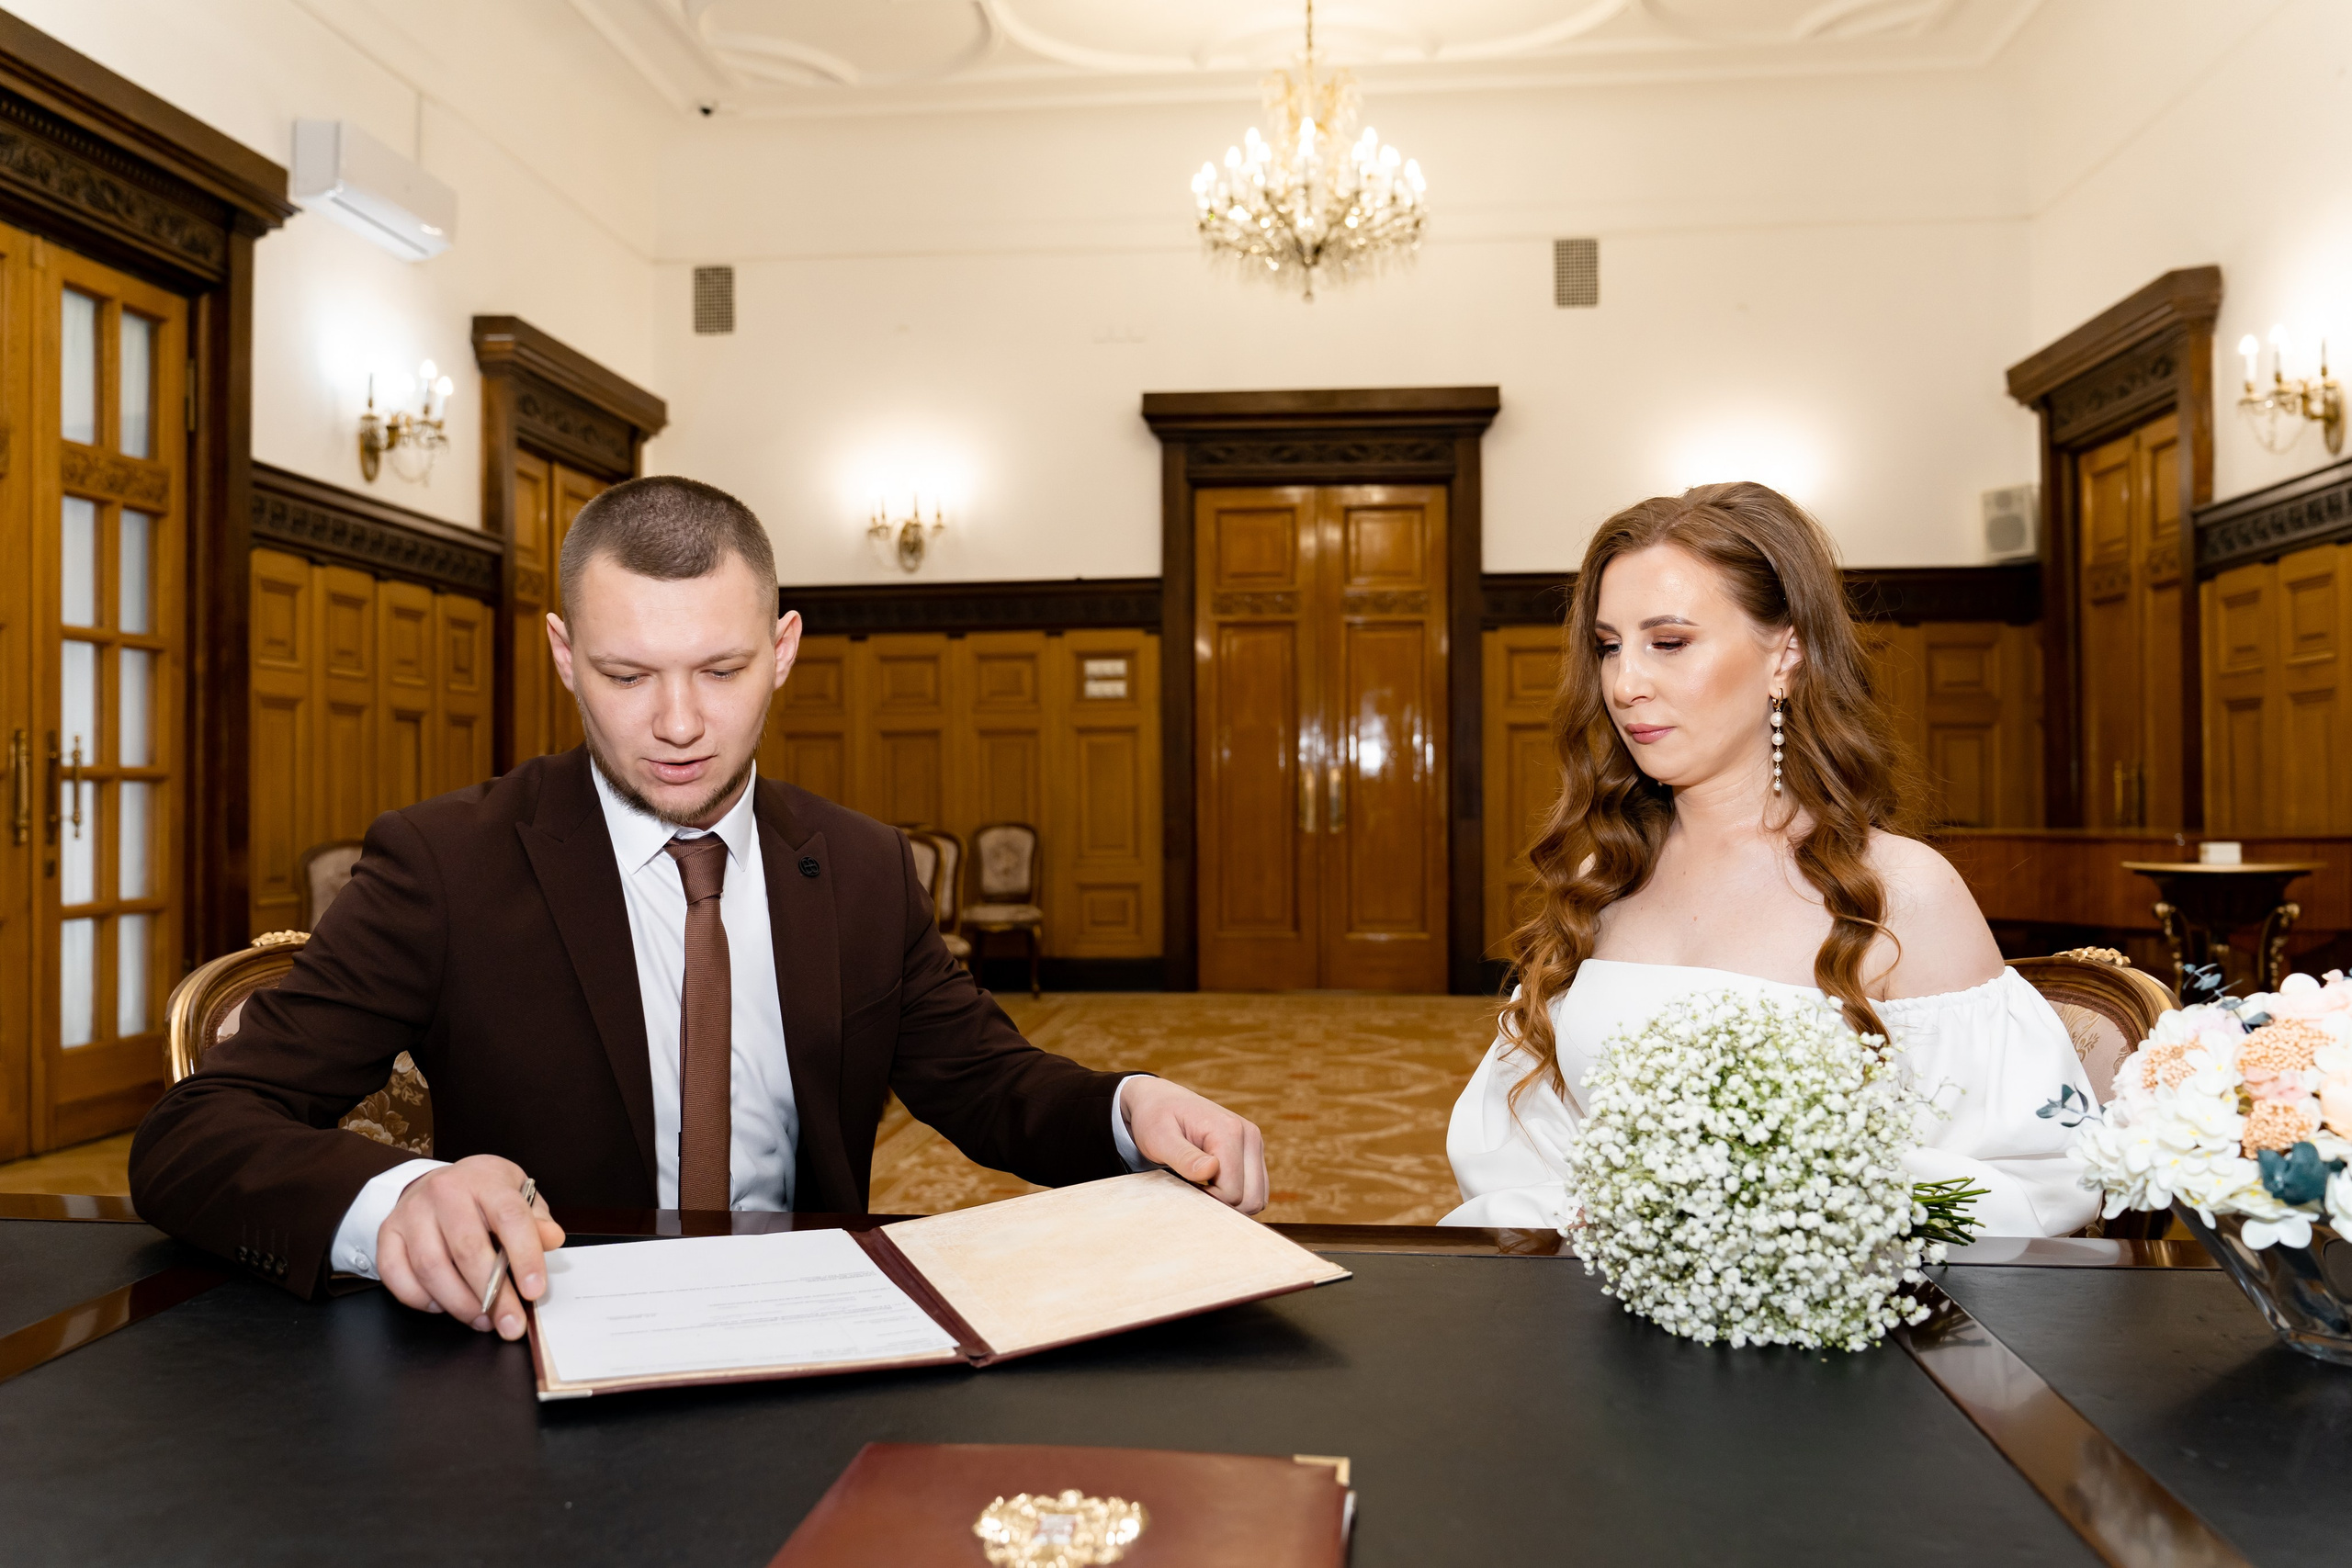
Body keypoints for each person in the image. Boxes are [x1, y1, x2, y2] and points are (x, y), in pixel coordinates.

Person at [132, 476, 1267, 1337]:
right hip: (544, 1342)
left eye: (719, 671)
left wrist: (1132, 1109)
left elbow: (988, 1083)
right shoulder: (448, 865)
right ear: (566, 657)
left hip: (818, 1335)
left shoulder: (864, 866)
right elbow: (195, 1136)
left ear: (782, 652)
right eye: (629, 677)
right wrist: (399, 1197)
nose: (678, 723)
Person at [1443, 482, 2095, 1237]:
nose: (1625, 684)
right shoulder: (1604, 878)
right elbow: (1519, 1137)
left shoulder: (1900, 891)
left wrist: (1782, 1215)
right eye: (1608, 646)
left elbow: (2036, 1174)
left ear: (1785, 656)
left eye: (1670, 642)